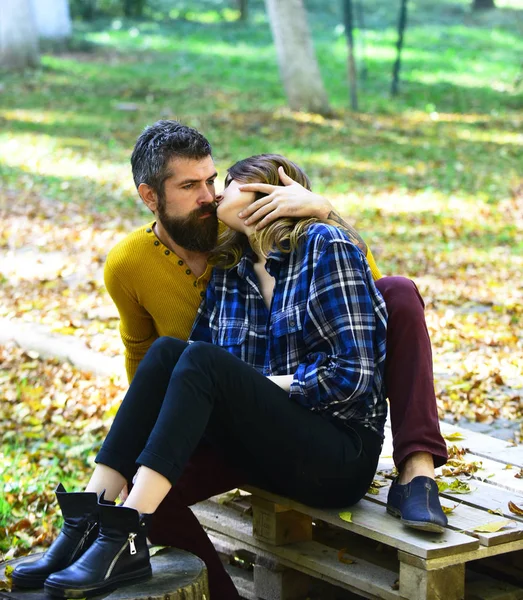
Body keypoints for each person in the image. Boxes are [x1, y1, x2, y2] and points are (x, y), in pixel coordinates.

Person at [13, 121, 448, 599]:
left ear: (269, 193)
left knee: (199, 361)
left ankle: (123, 532)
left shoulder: (325, 246)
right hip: (267, 445)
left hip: (337, 451)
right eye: (196, 187)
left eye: (222, 185)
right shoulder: (231, 266)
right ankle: (85, 522)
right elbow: (182, 367)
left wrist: (324, 210)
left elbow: (355, 375)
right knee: (167, 354)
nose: (213, 198)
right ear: (151, 196)